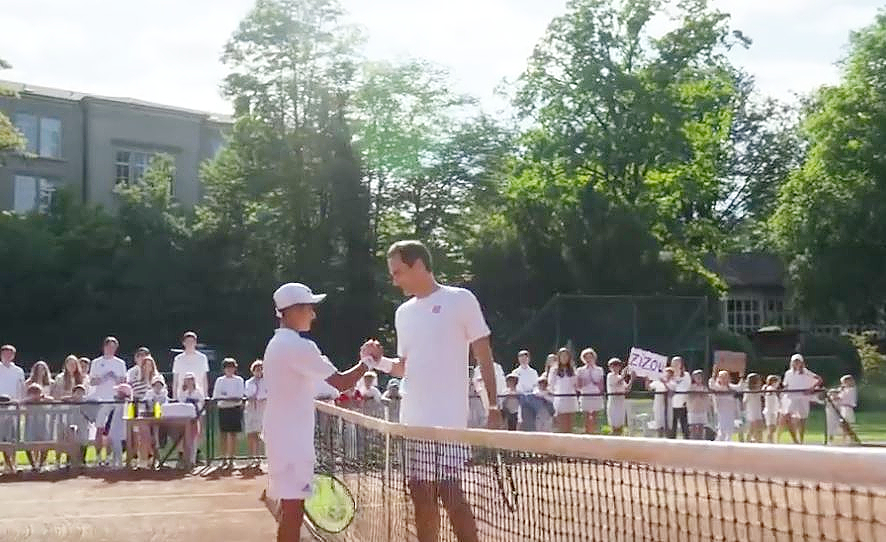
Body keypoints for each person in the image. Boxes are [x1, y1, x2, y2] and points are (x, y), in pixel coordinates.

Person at [361, 240, 502, 542]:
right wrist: (378, 361)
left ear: (419, 266)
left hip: (448, 420)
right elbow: (404, 367)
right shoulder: (403, 313)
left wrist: (493, 407)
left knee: (450, 493)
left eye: (398, 272)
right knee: (420, 495)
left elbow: (483, 355)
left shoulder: (460, 299)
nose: (394, 279)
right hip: (413, 420)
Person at [259, 281, 377, 542]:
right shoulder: (296, 346)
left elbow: (328, 384)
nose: (313, 314)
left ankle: (273, 497)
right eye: (308, 308)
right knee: (293, 512)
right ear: (291, 311)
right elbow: (342, 382)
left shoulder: (279, 344)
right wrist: (368, 361)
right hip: (290, 440)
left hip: (285, 436)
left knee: (292, 509)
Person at [90, 337, 127, 466]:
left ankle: (111, 457)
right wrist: (104, 377)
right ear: (104, 347)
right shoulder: (96, 362)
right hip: (101, 399)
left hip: (116, 400)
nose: (111, 349)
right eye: (109, 346)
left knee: (113, 431)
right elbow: (92, 381)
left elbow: (123, 381)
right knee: (99, 429)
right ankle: (99, 457)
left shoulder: (120, 363)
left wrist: (115, 378)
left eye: (113, 347)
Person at [782, 354, 823, 444]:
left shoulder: (806, 372)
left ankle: (801, 440)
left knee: (802, 419)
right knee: (787, 417)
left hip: (803, 398)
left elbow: (819, 379)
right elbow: (786, 384)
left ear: (801, 362)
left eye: (798, 361)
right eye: (794, 361)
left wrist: (811, 389)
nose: (796, 363)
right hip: (792, 397)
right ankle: (795, 440)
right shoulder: (788, 373)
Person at [213, 358, 246, 469]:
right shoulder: (219, 380)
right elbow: (217, 396)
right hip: (223, 409)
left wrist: (228, 397)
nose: (229, 370)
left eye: (232, 367)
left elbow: (239, 396)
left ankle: (231, 458)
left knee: (233, 434)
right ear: (224, 369)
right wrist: (228, 398)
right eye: (227, 368)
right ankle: (223, 459)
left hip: (234, 409)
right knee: (223, 434)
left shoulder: (239, 380)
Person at [548, 347, 579, 433]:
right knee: (562, 423)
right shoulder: (554, 369)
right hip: (560, 398)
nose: (564, 358)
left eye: (566, 356)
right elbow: (551, 385)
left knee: (570, 423)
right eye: (562, 356)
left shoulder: (572, 369)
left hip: (571, 398)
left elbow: (576, 384)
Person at [172, 331, 209, 401]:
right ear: (184, 343)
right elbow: (175, 379)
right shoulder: (178, 359)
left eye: (192, 342)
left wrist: (206, 395)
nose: (190, 344)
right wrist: (174, 397)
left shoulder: (202, 358)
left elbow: (204, 378)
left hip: (198, 395)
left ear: (195, 343)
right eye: (188, 342)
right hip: (182, 395)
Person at [244, 360, 268, 467]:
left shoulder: (267, 381)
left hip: (262, 409)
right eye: (256, 369)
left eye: (260, 369)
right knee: (250, 433)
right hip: (250, 409)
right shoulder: (249, 382)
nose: (259, 371)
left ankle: (260, 457)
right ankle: (251, 457)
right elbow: (247, 393)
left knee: (260, 434)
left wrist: (261, 398)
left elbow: (268, 393)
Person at [576, 348, 604, 434]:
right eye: (586, 357)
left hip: (595, 394)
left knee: (595, 416)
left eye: (590, 357)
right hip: (585, 394)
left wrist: (596, 383)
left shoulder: (599, 370)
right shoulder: (580, 370)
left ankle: (594, 432)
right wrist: (585, 382)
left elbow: (602, 385)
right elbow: (578, 386)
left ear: (594, 358)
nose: (588, 359)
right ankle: (587, 431)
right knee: (586, 416)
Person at [178, 372, 205, 465]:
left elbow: (202, 407)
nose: (189, 382)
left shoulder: (198, 392)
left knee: (194, 440)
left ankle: (192, 461)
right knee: (185, 440)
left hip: (195, 419)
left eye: (191, 380)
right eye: (187, 380)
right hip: (184, 420)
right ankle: (184, 460)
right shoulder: (183, 393)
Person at [709, 369, 742, 442]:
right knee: (722, 430)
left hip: (730, 412)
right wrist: (713, 374)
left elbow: (740, 387)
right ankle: (717, 445)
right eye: (722, 377)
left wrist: (742, 376)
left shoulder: (731, 387)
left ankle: (728, 446)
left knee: (730, 430)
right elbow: (711, 384)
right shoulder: (717, 387)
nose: (724, 379)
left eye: (726, 377)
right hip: (721, 412)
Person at [606, 358, 632, 435]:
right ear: (610, 367)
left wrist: (631, 380)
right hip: (613, 402)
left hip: (621, 402)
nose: (615, 368)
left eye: (617, 366)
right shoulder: (610, 375)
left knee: (620, 422)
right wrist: (624, 375)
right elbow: (617, 383)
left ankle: (619, 436)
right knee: (614, 422)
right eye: (613, 366)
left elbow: (626, 389)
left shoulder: (620, 377)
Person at [668, 356, 691, 439]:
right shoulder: (668, 376)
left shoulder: (686, 375)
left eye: (677, 363)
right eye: (673, 363)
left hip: (682, 405)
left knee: (684, 426)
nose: (675, 365)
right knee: (672, 427)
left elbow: (686, 387)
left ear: (681, 364)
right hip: (671, 405)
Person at [648, 367, 675, 438]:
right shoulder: (657, 382)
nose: (668, 374)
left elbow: (671, 393)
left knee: (668, 426)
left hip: (668, 408)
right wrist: (647, 378)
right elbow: (648, 388)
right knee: (659, 426)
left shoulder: (673, 383)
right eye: (667, 373)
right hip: (658, 407)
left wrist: (664, 383)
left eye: (670, 373)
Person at [686, 370, 712, 440]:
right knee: (693, 427)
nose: (698, 378)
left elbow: (707, 398)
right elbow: (689, 397)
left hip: (702, 409)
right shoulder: (690, 387)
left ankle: (701, 440)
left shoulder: (705, 388)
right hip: (693, 409)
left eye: (700, 376)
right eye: (696, 376)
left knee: (701, 427)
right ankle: (693, 440)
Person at [743, 373, 765, 443]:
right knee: (752, 427)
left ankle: (758, 440)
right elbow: (744, 401)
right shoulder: (748, 391)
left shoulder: (758, 390)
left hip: (757, 411)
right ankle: (749, 440)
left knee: (758, 427)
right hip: (752, 411)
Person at [837, 375, 857, 443]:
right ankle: (845, 438)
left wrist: (840, 391)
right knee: (843, 424)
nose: (843, 384)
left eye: (844, 382)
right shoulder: (845, 390)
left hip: (848, 408)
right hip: (843, 408)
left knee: (847, 423)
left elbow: (842, 397)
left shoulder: (851, 389)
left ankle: (851, 438)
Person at [762, 375, 781, 443]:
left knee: (773, 427)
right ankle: (768, 441)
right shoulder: (770, 388)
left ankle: (771, 440)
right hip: (770, 411)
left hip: (773, 411)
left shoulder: (773, 390)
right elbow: (769, 392)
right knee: (770, 427)